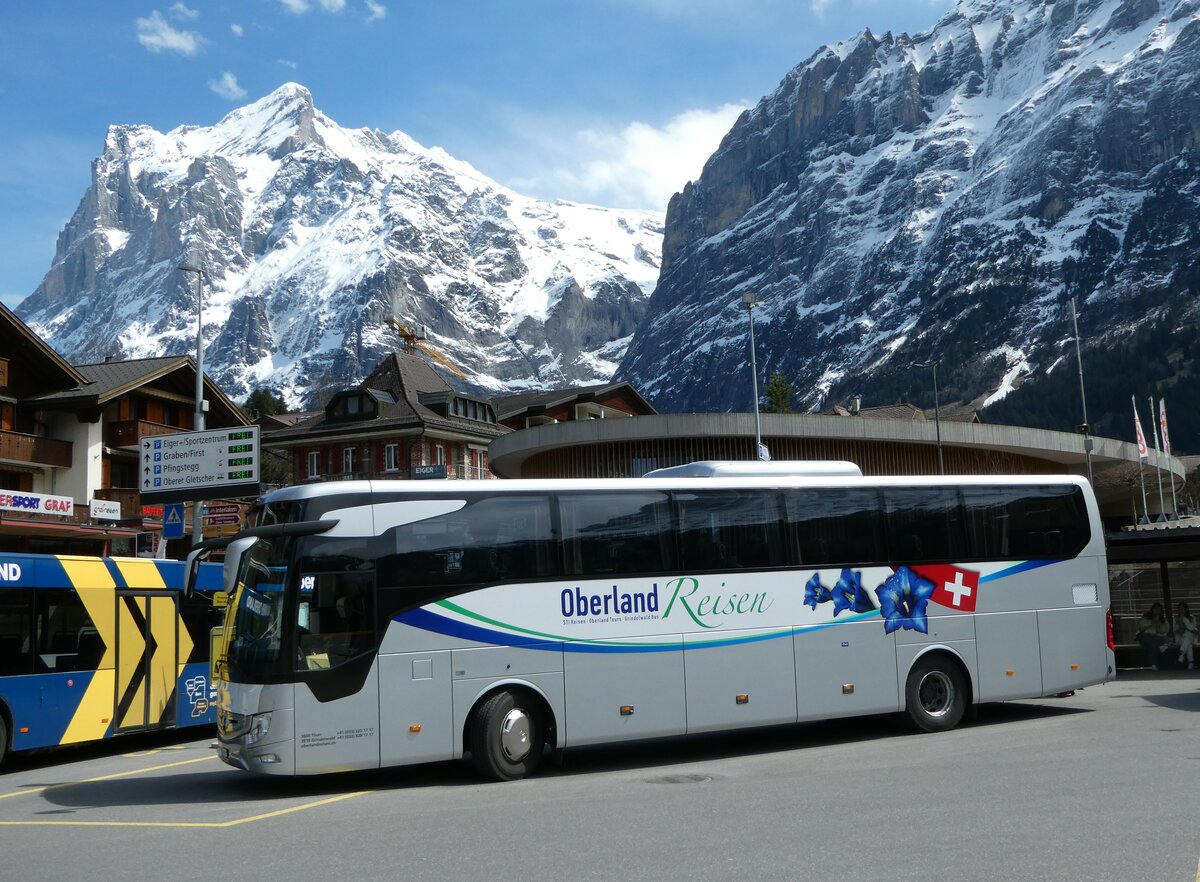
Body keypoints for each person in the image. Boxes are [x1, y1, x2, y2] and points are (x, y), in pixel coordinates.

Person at [1136, 603, 1171, 670]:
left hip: (1157, 637)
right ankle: (1160, 648)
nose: (1157, 611)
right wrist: (1152, 622)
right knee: (1152, 642)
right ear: (1152, 610)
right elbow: (1141, 628)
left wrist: (1158, 626)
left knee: (1152, 645)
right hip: (1146, 636)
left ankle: (1153, 664)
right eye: (1155, 609)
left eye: (1159, 610)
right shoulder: (1146, 617)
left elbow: (1166, 630)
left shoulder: (1163, 620)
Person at [1175, 602, 1196, 671]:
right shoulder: (1176, 619)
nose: (1181, 610)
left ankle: (1181, 654)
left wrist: (1184, 619)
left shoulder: (1192, 618)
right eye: (1180, 609)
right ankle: (1191, 662)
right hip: (1180, 639)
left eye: (1183, 609)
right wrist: (1179, 629)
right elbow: (1175, 631)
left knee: (1187, 636)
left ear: (1186, 609)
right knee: (1188, 643)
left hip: (1189, 638)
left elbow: (1192, 629)